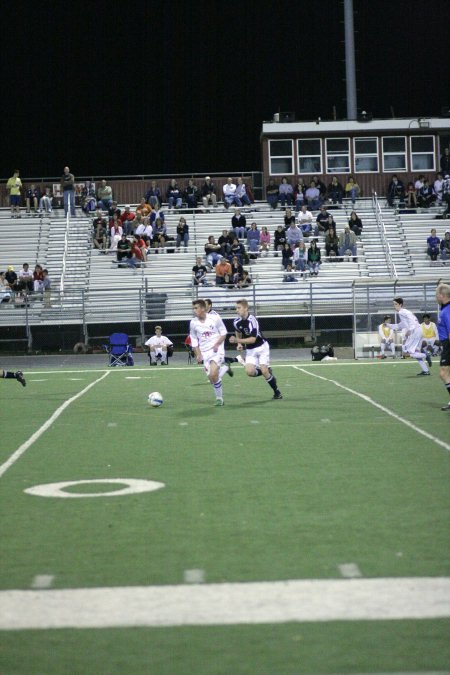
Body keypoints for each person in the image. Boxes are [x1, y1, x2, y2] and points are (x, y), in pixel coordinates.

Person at [229, 298, 282, 400]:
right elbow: (238, 331)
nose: (237, 310)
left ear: (246, 308)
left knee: (264, 371)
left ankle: (277, 392)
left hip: (262, 347)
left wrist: (236, 340)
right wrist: (239, 343)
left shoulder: (253, 321)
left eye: (239, 308)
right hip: (250, 350)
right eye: (236, 308)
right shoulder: (236, 322)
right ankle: (266, 370)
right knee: (250, 372)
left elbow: (253, 339)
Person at [189, 299, 228, 406]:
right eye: (193, 308)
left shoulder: (215, 318)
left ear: (202, 308)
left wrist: (217, 344)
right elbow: (193, 339)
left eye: (196, 308)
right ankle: (224, 368)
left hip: (217, 350)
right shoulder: (193, 323)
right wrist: (198, 354)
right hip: (204, 352)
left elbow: (224, 333)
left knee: (214, 373)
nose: (194, 310)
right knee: (212, 378)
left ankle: (219, 399)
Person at [388, 298, 431, 375]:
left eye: (395, 304)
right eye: (393, 304)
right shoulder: (405, 312)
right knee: (416, 353)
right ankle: (426, 370)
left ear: (400, 305)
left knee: (406, 353)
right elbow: (400, 325)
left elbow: (412, 320)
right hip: (418, 330)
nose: (394, 306)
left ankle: (426, 355)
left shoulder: (401, 312)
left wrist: (410, 330)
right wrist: (389, 325)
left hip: (415, 331)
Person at [435, 283, 450, 410]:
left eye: (436, 295)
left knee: (444, 373)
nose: (435, 297)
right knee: (445, 373)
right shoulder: (445, 309)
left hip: (448, 344)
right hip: (446, 343)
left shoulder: (447, 311)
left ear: (441, 295)